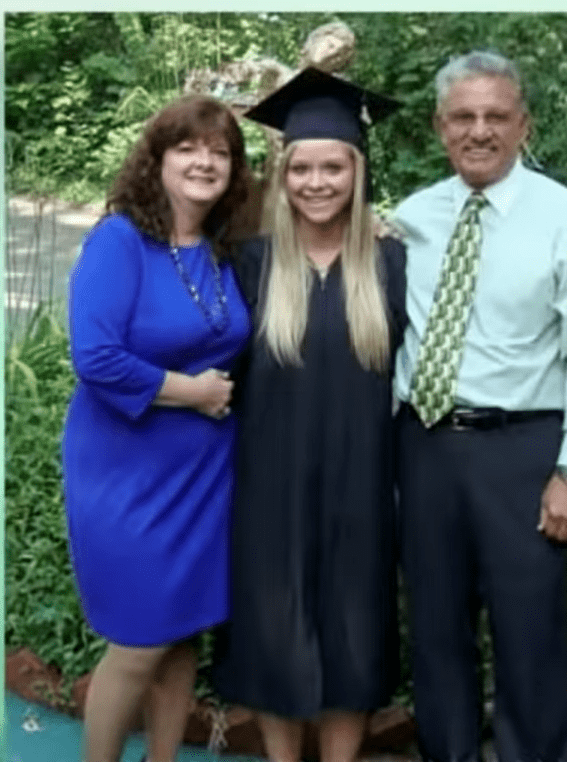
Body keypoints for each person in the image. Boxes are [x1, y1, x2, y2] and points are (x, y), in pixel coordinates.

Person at [392, 51, 567, 762]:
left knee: (530, 635)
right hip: (424, 443)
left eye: (495, 116)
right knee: (435, 632)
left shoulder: (566, 219)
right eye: (462, 117)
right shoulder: (413, 218)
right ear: (440, 127)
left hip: (521, 450)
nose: (478, 130)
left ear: (522, 125)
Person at [212, 67, 405, 762]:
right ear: (282, 173)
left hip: (362, 493)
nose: (317, 182)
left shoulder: (390, 264)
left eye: (333, 167)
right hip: (270, 492)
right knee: (274, 641)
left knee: (353, 642)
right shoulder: (248, 265)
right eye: (302, 168)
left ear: (357, 173)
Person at [62, 95, 254, 762]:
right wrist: (193, 391)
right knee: (140, 640)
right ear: (158, 158)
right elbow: (95, 357)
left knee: (182, 635)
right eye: (188, 147)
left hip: (201, 473)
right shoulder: (120, 239)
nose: (205, 161)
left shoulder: (227, 247)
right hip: (124, 468)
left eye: (220, 151)